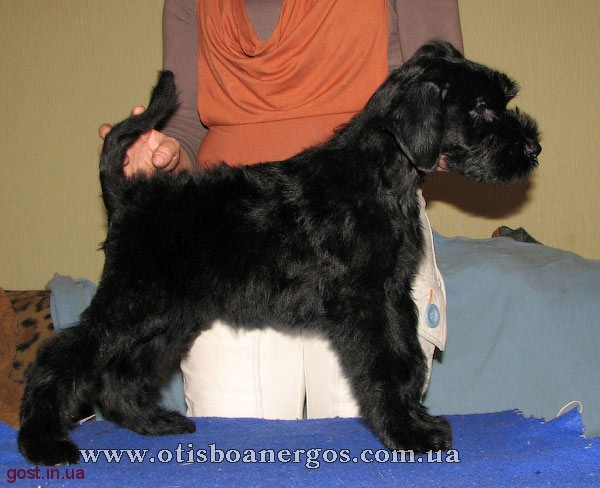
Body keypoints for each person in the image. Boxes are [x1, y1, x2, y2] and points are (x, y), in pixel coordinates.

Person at [99, 0, 463, 420]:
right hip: (228, 237)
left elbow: (445, 99)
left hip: (366, 227)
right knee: (236, 445)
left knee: (371, 435)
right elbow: (187, 125)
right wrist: (164, 154)